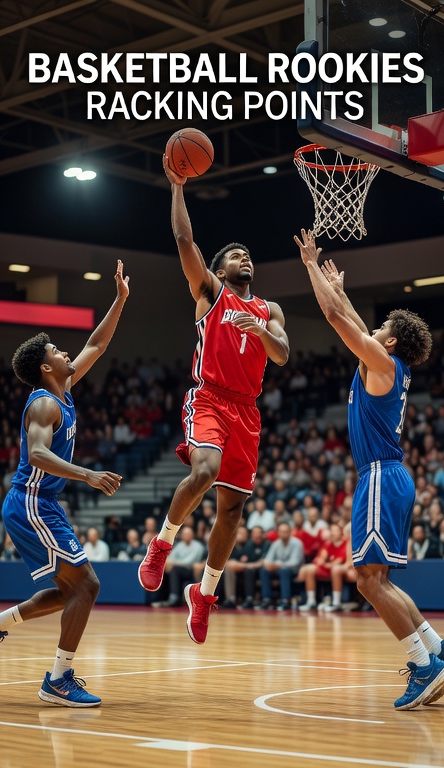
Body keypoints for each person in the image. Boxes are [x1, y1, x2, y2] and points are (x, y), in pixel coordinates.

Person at [296, 229, 444, 710]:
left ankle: (423, 667)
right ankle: (439, 650)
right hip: (392, 475)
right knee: (381, 581)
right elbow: (350, 318)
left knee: (367, 581)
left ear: (389, 340)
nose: (373, 329)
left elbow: (335, 318)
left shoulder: (381, 362)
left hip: (380, 475)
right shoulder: (387, 365)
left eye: (381, 326)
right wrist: (340, 291)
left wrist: (310, 266)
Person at [138, 154, 290, 645]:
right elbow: (185, 242)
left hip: (247, 410)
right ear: (220, 270)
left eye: (248, 254)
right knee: (204, 471)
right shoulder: (210, 293)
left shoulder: (269, 309)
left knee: (232, 512)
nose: (244, 258)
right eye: (235, 256)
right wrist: (177, 187)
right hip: (209, 398)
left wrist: (261, 331)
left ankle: (203, 595)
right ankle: (162, 545)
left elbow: (283, 354)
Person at [0, 262, 130, 708]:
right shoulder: (45, 405)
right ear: (47, 366)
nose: (66, 352)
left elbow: (97, 344)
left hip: (41, 502)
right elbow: (36, 454)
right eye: (56, 349)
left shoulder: (64, 388)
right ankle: (58, 679)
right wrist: (87, 474)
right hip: (31, 501)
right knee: (87, 586)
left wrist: (120, 299)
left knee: (72, 590)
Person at [260, 522, 304, 609]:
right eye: (281, 531)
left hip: (294, 571)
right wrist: (268, 564)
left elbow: (295, 562)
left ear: (290, 532)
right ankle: (266, 600)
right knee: (264, 570)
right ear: (278, 533)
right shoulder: (275, 544)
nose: (283, 534)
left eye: (286, 531)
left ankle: (285, 600)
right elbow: (268, 559)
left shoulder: (297, 543)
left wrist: (278, 564)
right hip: (278, 569)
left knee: (284, 570)